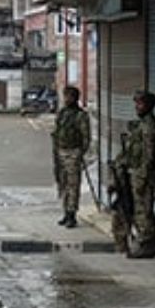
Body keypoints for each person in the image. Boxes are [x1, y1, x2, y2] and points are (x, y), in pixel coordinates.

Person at [112, 90, 155, 259]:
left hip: (143, 174)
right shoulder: (140, 125)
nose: (137, 107)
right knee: (139, 207)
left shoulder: (150, 126)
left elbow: (149, 156)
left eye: (141, 104)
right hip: (134, 172)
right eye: (136, 103)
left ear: (149, 106)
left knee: (143, 209)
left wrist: (142, 177)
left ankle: (147, 243)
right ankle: (151, 241)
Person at [52, 85, 90, 228]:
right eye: (65, 96)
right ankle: (66, 212)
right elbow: (56, 133)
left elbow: (86, 138)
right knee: (63, 184)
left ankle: (72, 214)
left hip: (73, 153)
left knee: (73, 185)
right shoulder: (62, 113)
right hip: (61, 152)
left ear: (75, 98)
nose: (66, 99)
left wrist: (80, 153)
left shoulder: (81, 115)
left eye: (69, 96)